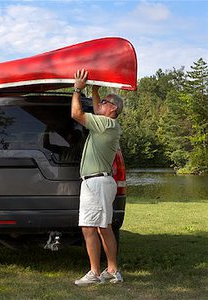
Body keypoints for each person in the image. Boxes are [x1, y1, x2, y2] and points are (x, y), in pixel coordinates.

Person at [71, 69, 124, 286]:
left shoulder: (106, 124)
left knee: (96, 227)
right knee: (98, 227)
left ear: (113, 108)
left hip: (97, 183)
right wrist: (94, 90)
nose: (99, 103)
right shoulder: (105, 123)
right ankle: (108, 270)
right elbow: (95, 108)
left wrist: (77, 89)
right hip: (96, 182)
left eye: (104, 101)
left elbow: (77, 114)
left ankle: (100, 272)